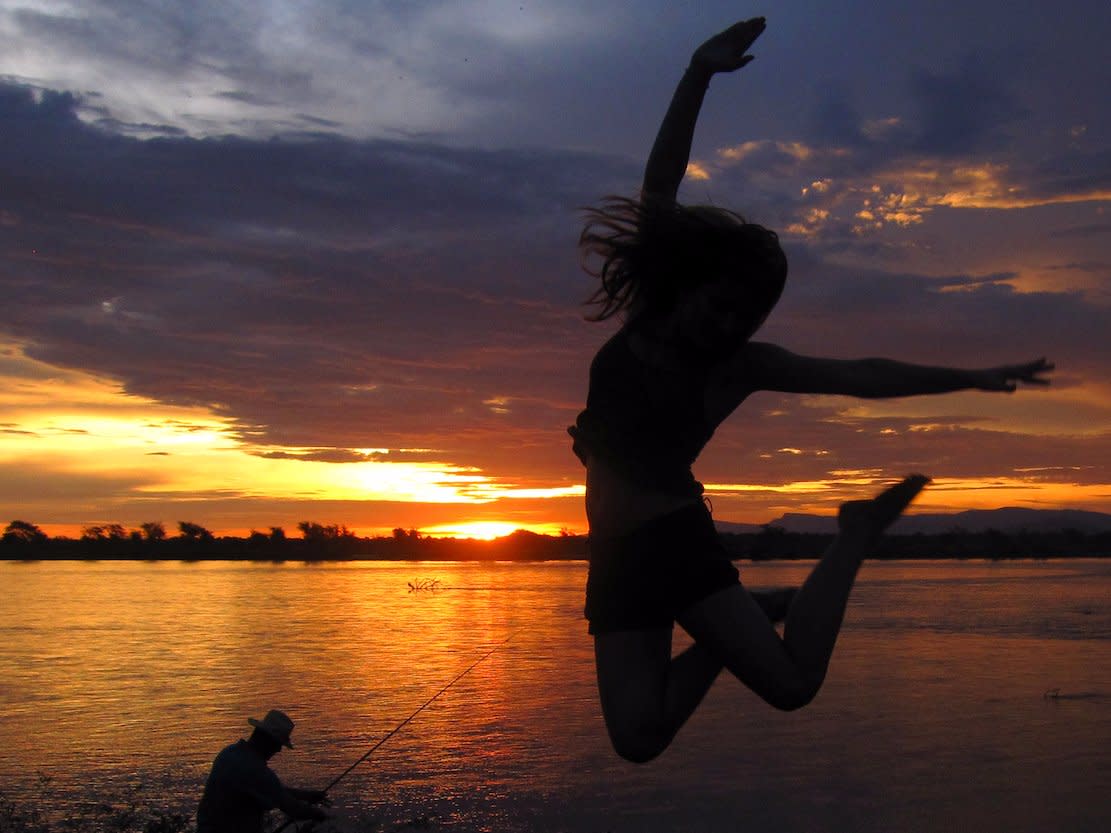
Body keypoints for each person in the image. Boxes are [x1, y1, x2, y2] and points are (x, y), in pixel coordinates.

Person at [570, 16, 1053, 763]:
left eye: (744, 313)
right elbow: (660, 178)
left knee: (792, 682)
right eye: (721, 300)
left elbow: (860, 375)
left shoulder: (737, 365)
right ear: (690, 281)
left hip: (671, 542)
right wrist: (697, 72)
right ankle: (752, 616)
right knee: (638, 736)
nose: (727, 319)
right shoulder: (648, 316)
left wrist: (970, 376)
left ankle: (854, 536)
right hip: (616, 555)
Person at [196, 709, 329, 833]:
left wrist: (306, 795)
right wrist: (321, 815)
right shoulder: (256, 770)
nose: (279, 750)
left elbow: (271, 789)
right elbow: (293, 809)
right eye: (278, 744)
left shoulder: (229, 752)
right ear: (267, 740)